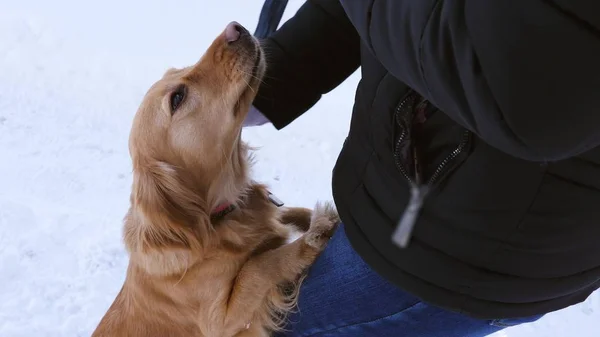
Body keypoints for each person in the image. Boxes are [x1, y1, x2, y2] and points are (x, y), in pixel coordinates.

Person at [244, 1, 600, 336]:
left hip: (465, 252)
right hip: (404, 205)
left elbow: (530, 90)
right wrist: (284, 68)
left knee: (253, 327)